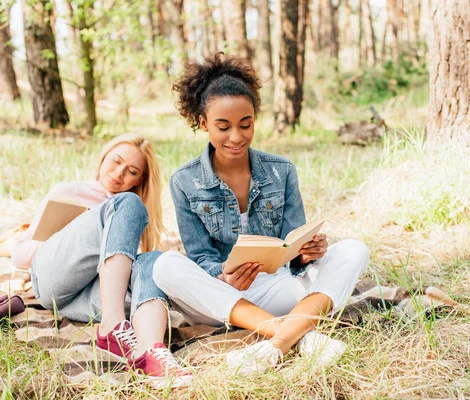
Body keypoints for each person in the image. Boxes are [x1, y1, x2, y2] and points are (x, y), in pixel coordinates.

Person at [152, 53, 370, 375]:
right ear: (203, 123)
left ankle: (275, 345)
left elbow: (292, 243)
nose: (236, 137)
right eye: (223, 127)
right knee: (165, 265)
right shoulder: (185, 181)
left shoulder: (281, 171)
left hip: (281, 288)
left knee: (354, 249)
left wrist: (307, 253)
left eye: (246, 124)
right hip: (223, 299)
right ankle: (304, 337)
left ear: (255, 119)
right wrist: (223, 275)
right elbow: (200, 257)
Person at [11, 133, 191, 388]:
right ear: (104, 155)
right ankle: (113, 325)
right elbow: (19, 254)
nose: (119, 173)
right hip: (56, 282)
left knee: (154, 260)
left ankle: (150, 352)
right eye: (116, 161)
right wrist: (68, 238)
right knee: (127, 203)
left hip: (92, 299)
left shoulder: (132, 213)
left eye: (131, 171)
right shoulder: (70, 191)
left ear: (140, 179)